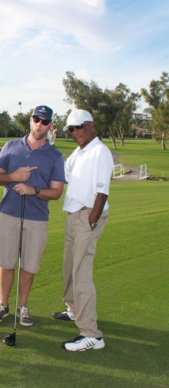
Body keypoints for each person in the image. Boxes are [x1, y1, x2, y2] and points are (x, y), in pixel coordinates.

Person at [0, 106, 65, 327]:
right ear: (30, 120)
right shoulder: (11, 146)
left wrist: (33, 190)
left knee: (29, 265)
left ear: (50, 126)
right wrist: (14, 176)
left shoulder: (55, 156)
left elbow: (57, 192)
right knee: (6, 262)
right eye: (36, 119)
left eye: (44, 121)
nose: (39, 124)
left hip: (37, 217)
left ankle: (22, 306)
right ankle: (3, 304)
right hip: (9, 213)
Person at [53, 109, 114, 352]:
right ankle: (74, 309)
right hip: (73, 214)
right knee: (68, 267)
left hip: (88, 215)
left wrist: (91, 222)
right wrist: (50, 146)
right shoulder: (79, 152)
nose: (75, 132)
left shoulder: (100, 151)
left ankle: (91, 334)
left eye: (79, 127)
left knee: (80, 272)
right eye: (72, 129)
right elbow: (62, 173)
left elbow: (102, 192)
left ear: (91, 125)